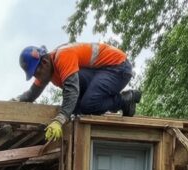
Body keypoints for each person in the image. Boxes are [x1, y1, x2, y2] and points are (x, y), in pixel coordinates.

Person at [13, 43, 142, 142]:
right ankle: (113, 101)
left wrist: (59, 120)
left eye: (36, 74)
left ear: (44, 63)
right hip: (100, 72)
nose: (37, 78)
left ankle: (124, 100)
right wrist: (14, 101)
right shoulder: (47, 71)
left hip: (118, 67)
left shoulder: (62, 56)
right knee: (75, 108)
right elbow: (31, 94)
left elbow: (72, 90)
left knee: (87, 104)